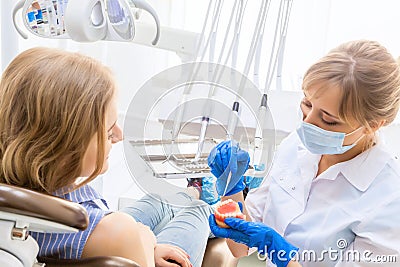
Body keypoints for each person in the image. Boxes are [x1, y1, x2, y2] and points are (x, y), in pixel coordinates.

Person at [0, 47, 211, 267]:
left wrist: (150, 246)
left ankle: (193, 191)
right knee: (199, 212)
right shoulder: (120, 233)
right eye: (109, 130)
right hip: (118, 238)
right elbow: (125, 238)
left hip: (102, 235)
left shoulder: (19, 194)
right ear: (69, 140)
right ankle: (201, 198)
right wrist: (146, 244)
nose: (119, 136)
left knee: (158, 201)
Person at [207, 40, 400, 266]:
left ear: (372, 125)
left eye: (328, 119)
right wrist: (232, 187)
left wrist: (277, 250)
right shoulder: (295, 146)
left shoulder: (389, 199)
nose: (307, 124)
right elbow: (240, 247)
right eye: (307, 104)